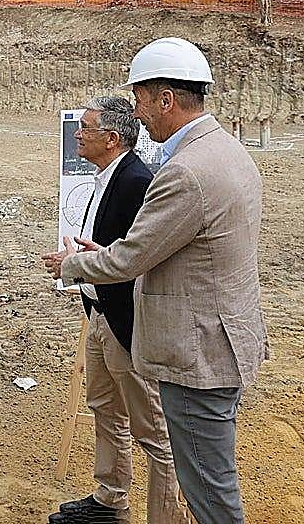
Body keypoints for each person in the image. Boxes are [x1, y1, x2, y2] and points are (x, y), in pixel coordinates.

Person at [44, 37, 267, 524]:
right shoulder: (227, 151)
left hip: (196, 352)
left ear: (166, 98)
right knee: (209, 479)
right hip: (220, 340)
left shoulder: (185, 172)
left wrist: (72, 266)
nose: (138, 113)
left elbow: (131, 258)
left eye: (141, 99)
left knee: (209, 492)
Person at [50, 96, 186, 524]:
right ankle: (110, 499)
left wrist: (87, 262)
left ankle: (166, 516)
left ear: (111, 138)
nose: (78, 134)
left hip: (126, 322)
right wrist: (97, 256)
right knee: (105, 408)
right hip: (99, 313)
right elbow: (119, 249)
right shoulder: (109, 175)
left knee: (152, 429)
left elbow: (141, 257)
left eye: (85, 128)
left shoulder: (134, 182)